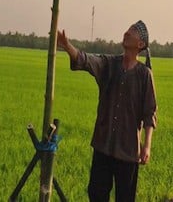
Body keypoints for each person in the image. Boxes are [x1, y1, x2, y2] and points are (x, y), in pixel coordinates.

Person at [57, 21, 157, 202]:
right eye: (127, 29)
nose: (126, 32)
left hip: (128, 151)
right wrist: (66, 45)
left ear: (140, 44)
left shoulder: (144, 75)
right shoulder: (109, 64)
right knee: (96, 195)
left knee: (125, 198)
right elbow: (85, 60)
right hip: (103, 145)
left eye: (132, 31)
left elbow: (149, 113)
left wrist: (147, 145)